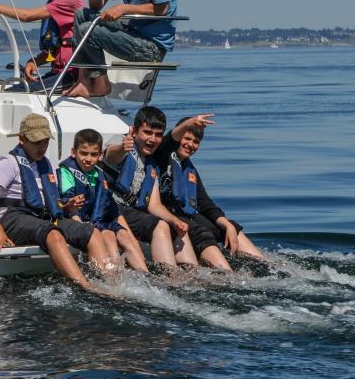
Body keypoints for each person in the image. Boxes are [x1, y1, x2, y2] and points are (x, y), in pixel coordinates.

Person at [0, 114, 119, 291]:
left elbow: (48, 200)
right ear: (22, 139)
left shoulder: (44, 164)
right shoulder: (9, 163)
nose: (42, 147)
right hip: (12, 217)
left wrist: (66, 206)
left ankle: (111, 284)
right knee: (53, 234)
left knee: (91, 232)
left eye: (45, 142)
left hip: (41, 218)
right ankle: (86, 287)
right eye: (37, 142)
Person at [159, 116, 265, 265]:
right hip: (167, 216)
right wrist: (188, 123)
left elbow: (205, 203)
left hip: (186, 215)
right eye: (186, 138)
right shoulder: (161, 156)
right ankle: (225, 272)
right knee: (201, 232)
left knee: (230, 227)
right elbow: (168, 140)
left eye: (196, 142)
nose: (190, 145)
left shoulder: (188, 168)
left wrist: (228, 225)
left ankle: (264, 264)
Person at [101, 105, 196, 270]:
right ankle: (170, 275)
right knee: (160, 225)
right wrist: (123, 148)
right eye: (147, 132)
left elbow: (154, 205)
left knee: (177, 227)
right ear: (134, 131)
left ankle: (192, 273)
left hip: (133, 213)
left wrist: (175, 221)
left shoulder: (152, 164)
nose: (152, 139)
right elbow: (110, 155)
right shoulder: (123, 146)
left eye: (158, 135)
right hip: (112, 208)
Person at [56, 128, 148, 272]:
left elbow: (112, 210)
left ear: (100, 156)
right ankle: (113, 276)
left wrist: (133, 240)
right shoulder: (67, 171)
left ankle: (144, 274)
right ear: (74, 152)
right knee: (109, 235)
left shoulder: (98, 175)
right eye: (84, 153)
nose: (88, 159)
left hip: (97, 221)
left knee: (124, 235)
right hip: (77, 221)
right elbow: (68, 203)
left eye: (93, 155)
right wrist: (82, 226)